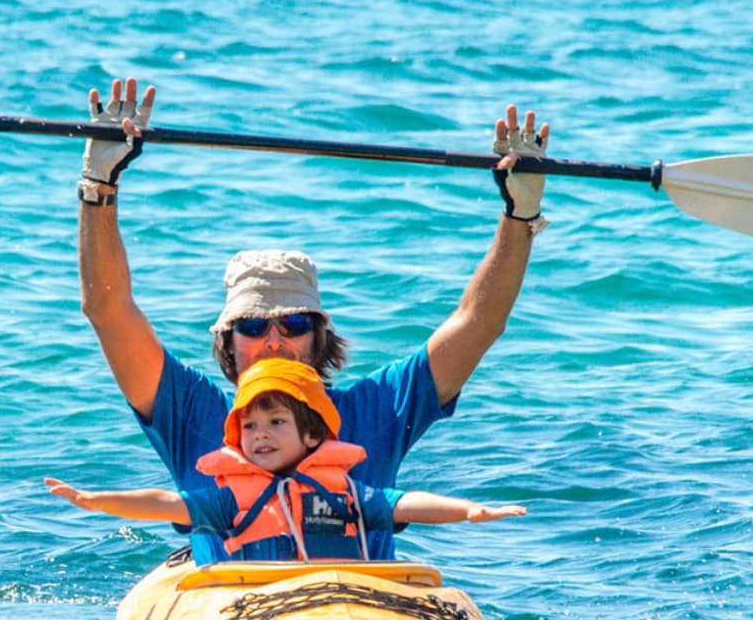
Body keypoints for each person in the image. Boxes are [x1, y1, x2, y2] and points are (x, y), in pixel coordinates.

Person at [76, 76, 549, 499]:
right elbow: (108, 309)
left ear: (318, 335)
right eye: (254, 326)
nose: (275, 341)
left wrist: (519, 215)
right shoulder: (190, 411)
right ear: (227, 342)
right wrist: (99, 185)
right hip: (231, 596)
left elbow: (480, 322)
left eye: (294, 323)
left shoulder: (376, 410)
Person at [46, 358, 526, 564]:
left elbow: (405, 506)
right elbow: (168, 504)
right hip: (257, 608)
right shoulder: (232, 500)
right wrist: (97, 500)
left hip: (339, 601)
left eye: (276, 423)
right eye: (250, 427)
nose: (260, 436)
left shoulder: (346, 495)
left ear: (313, 434)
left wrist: (469, 511)